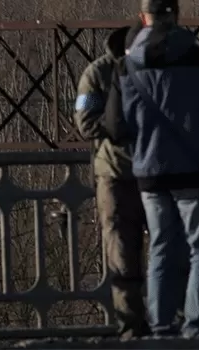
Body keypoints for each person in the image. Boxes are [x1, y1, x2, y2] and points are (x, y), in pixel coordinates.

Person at [103, 0, 199, 338]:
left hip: (149, 173)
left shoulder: (125, 64)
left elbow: (115, 128)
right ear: (176, 15)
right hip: (193, 170)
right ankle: (195, 329)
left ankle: (161, 331)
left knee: (161, 249)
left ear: (143, 17)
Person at [73, 24, 149, 340]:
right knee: (122, 258)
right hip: (117, 175)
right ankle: (132, 329)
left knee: (165, 254)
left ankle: (163, 326)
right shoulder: (99, 73)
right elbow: (86, 123)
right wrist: (121, 124)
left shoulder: (152, 67)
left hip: (152, 171)